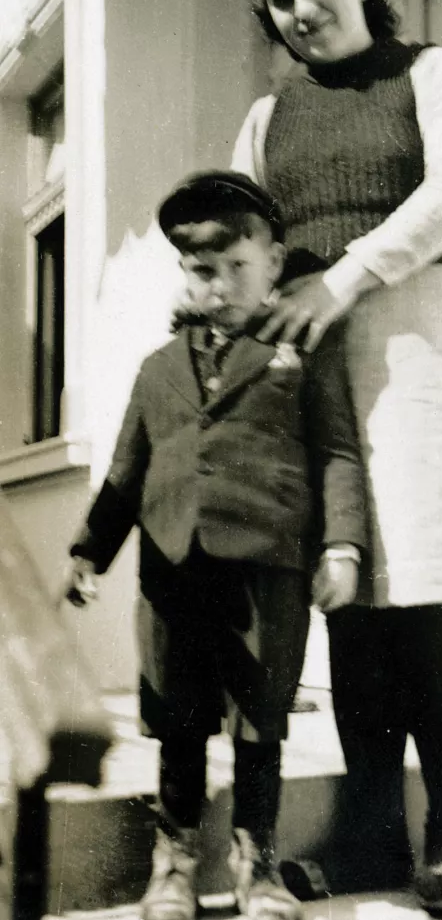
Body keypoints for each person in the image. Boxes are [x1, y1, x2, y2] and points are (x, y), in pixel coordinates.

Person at [232, 0, 442, 915]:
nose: (302, 8)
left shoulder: (430, 72)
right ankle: (374, 837)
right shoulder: (266, 118)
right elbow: (242, 236)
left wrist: (340, 276)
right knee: (349, 600)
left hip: (417, 344)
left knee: (425, 599)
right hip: (312, 368)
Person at [65, 171, 368, 920]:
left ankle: (254, 862)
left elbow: (336, 451)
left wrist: (343, 547)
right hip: (172, 571)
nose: (223, 282)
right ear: (184, 272)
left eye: (240, 265)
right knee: (178, 718)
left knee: (261, 721)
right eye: (205, 268)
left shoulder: (300, 351)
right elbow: (126, 472)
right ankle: (173, 863)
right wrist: (86, 552)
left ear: (274, 262)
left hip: (268, 569)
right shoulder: (156, 369)